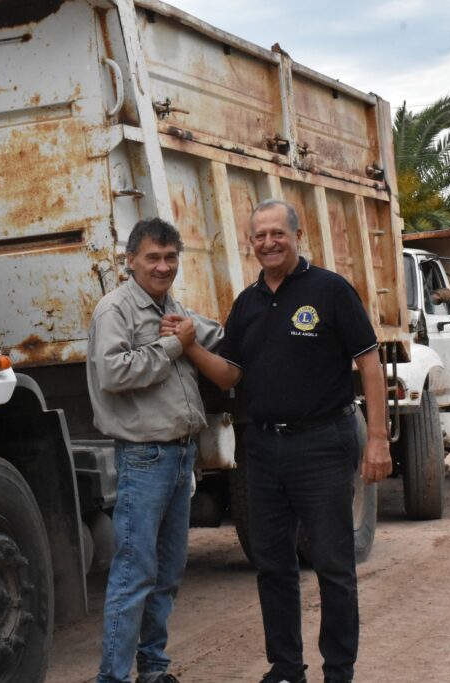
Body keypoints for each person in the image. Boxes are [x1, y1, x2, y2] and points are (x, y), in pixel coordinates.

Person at [165, 199, 392, 683]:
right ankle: (286, 668)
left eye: (277, 234)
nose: (269, 243)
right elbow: (230, 373)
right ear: (251, 242)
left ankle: (339, 672)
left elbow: (370, 364)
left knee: (333, 566)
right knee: (272, 567)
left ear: (297, 236)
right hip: (264, 450)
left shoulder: (330, 290)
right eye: (260, 236)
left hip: (323, 444)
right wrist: (190, 347)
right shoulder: (247, 303)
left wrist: (378, 439)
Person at [87, 217, 223, 683]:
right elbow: (113, 373)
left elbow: (219, 337)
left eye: (170, 257)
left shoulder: (174, 308)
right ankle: (113, 677)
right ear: (130, 261)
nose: (163, 266)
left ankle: (154, 669)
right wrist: (172, 346)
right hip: (144, 458)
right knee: (134, 572)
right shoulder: (116, 310)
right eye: (152, 258)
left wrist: (190, 332)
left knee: (167, 572)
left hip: (180, 455)